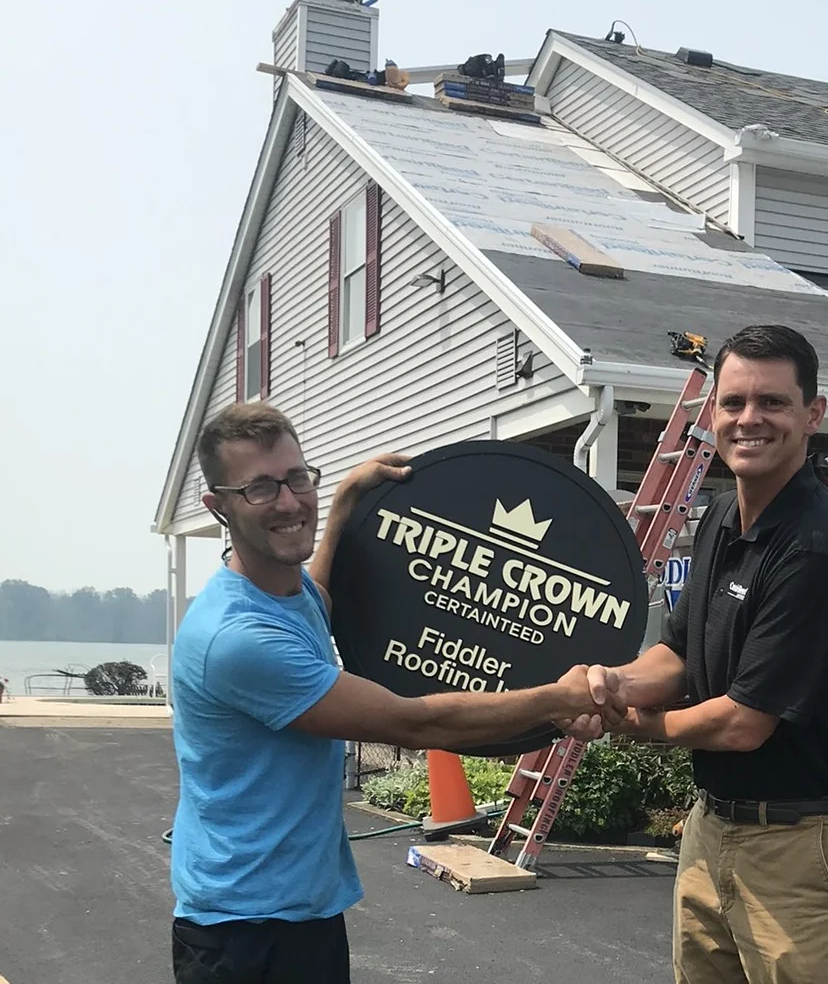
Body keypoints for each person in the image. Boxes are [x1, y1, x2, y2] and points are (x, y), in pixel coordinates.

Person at [168, 402, 623, 984]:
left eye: (297, 479)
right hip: (243, 932)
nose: (287, 502)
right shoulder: (235, 638)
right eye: (260, 489)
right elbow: (414, 723)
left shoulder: (287, 595)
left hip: (301, 910)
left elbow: (320, 598)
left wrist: (344, 504)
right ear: (219, 506)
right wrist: (555, 701)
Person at [563, 324, 828, 984]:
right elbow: (678, 653)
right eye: (733, 402)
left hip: (801, 847)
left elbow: (743, 722)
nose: (749, 419)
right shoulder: (718, 515)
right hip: (712, 828)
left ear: (811, 415)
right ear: (712, 413)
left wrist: (633, 725)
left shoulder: (815, 546)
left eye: (771, 402)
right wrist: (612, 684)